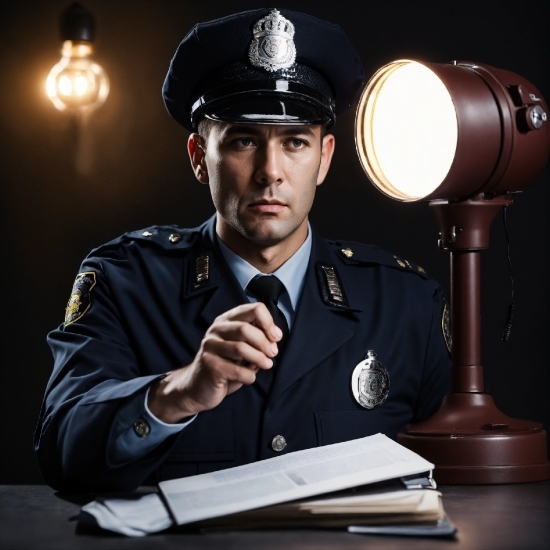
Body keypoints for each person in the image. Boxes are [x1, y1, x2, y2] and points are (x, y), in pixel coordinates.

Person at [34, 8, 451, 493]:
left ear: (325, 159)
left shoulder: (406, 303)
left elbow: (463, 484)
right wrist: (177, 392)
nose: (269, 171)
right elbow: (60, 452)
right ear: (198, 158)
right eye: (242, 141)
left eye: (295, 141)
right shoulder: (123, 281)